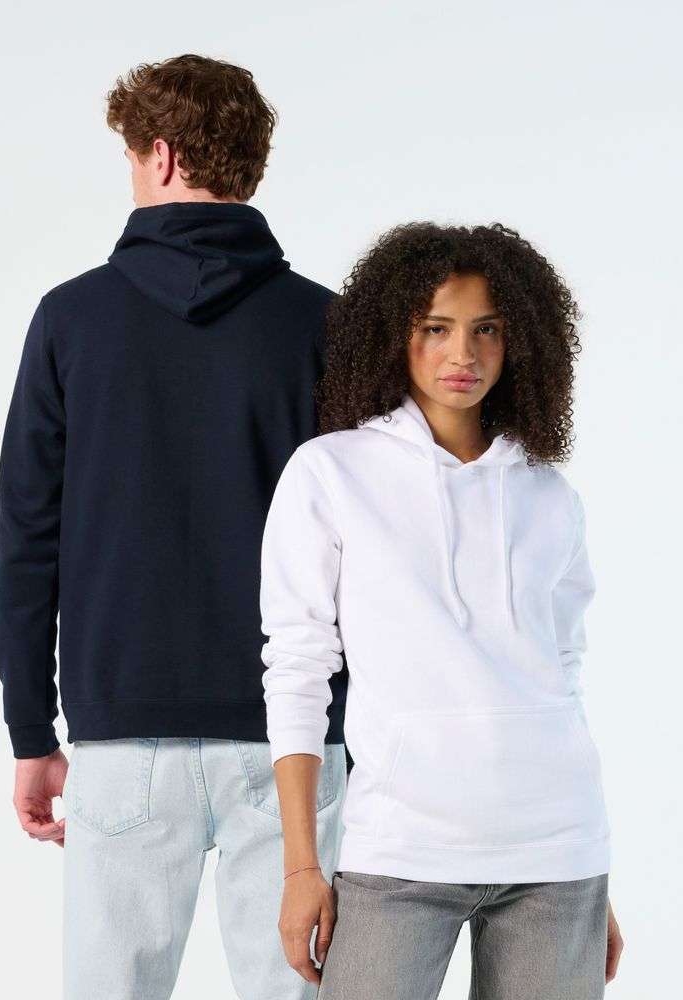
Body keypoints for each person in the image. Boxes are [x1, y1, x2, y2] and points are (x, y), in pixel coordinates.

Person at [0, 53, 348, 1000]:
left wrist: (31, 729)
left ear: (160, 154)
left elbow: (27, 537)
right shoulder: (325, 325)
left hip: (123, 731)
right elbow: (371, 548)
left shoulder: (71, 320)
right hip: (293, 737)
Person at [259, 222, 624, 998]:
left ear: (519, 340)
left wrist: (593, 875)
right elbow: (296, 671)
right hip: (400, 851)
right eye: (436, 328)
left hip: (558, 857)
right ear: (395, 335)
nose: (464, 354)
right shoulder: (331, 474)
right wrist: (301, 867)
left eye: (487, 329)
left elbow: (561, 673)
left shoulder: (549, 495)